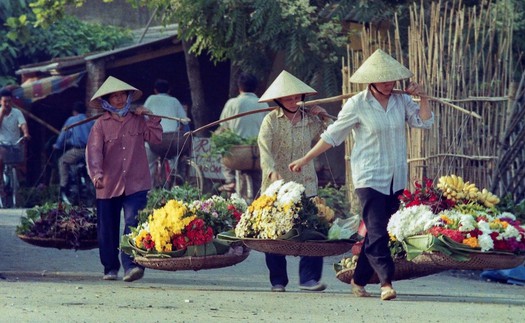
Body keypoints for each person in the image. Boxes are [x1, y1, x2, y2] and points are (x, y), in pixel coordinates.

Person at [289, 49, 434, 300]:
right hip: (369, 177)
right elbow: (332, 136)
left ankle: (358, 279)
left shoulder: (401, 102)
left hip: (395, 178)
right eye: (384, 80)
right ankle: (385, 283)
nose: (389, 84)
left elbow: (424, 123)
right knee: (377, 229)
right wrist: (305, 158)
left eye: (392, 80)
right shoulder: (357, 104)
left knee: (382, 232)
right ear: (372, 81)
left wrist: (422, 99)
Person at [257, 70, 331, 292]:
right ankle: (278, 280)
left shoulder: (310, 120)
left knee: (313, 230)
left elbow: (330, 136)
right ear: (279, 100)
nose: (293, 101)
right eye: (288, 98)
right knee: (275, 234)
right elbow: (264, 149)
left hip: (306, 183)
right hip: (277, 186)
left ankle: (309, 278)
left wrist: (323, 116)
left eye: (296, 97)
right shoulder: (270, 120)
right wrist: (271, 172)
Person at [86, 76, 162, 282]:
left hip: (136, 182)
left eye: (122, 95)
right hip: (108, 183)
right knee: (107, 228)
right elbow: (94, 152)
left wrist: (151, 117)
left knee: (133, 223)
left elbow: (156, 140)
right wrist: (97, 174)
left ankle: (132, 266)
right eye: (114, 96)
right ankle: (110, 268)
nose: (119, 99)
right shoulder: (100, 125)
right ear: (107, 101)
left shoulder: (138, 119)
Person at [217, 72, 269, 192]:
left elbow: (223, 127)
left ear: (239, 87)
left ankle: (230, 180)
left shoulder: (232, 103)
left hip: (237, 153)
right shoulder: (263, 103)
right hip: (256, 152)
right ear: (256, 88)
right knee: (258, 179)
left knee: (219, 146)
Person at [143, 79, 188, 183]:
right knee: (173, 158)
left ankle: (150, 192)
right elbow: (185, 121)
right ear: (169, 90)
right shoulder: (174, 101)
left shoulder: (151, 99)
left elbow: (144, 117)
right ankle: (173, 176)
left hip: (154, 140)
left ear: (155, 90)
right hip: (171, 140)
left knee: (149, 165)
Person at [53, 101, 95, 204]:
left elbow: (63, 135)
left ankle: (64, 186)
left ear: (74, 111)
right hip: (91, 151)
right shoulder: (90, 121)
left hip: (78, 150)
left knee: (62, 161)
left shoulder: (71, 120)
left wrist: (57, 145)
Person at [0, 88, 30, 184]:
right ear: (0, 101)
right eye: (5, 102)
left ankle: (16, 184)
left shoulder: (17, 112)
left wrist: (25, 134)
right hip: (2, 144)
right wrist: (2, 115)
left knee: (17, 164)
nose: (7, 104)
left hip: (15, 144)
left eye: (9, 101)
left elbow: (23, 124)